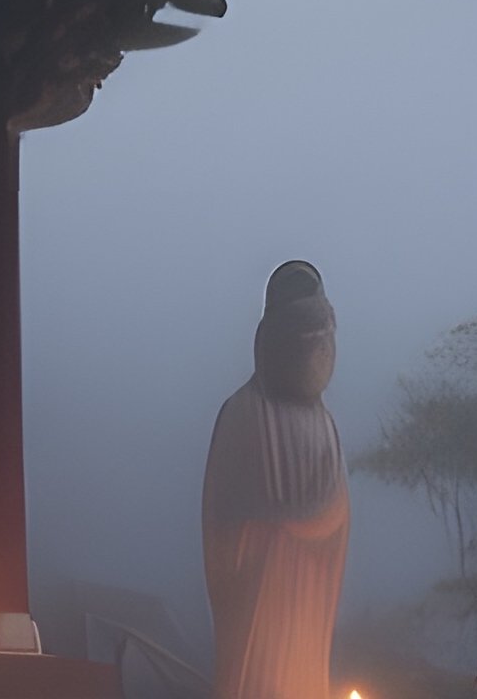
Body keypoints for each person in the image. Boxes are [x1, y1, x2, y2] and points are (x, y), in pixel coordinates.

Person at [201, 261, 349, 699]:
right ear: (270, 339)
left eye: (320, 336)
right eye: (299, 336)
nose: (312, 347)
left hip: (308, 606)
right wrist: (296, 523)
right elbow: (225, 529)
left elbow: (335, 521)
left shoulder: (325, 423)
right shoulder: (244, 413)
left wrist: (314, 523)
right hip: (259, 602)